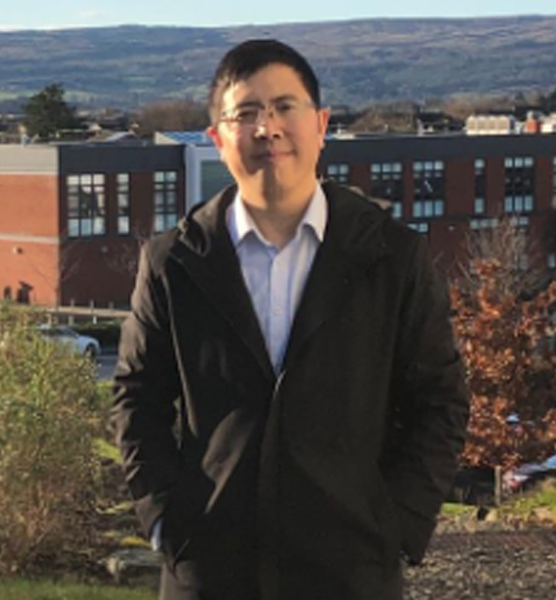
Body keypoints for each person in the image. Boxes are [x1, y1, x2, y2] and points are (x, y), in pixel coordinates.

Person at [112, 39, 469, 600]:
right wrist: (165, 519)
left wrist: (398, 525)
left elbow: (439, 400)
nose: (268, 128)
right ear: (217, 138)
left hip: (352, 575)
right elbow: (136, 398)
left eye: (284, 107)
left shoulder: (390, 255)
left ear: (321, 124)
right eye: (246, 113)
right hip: (209, 572)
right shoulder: (174, 262)